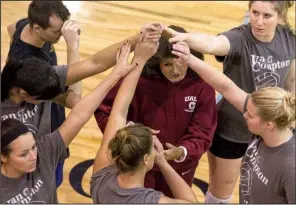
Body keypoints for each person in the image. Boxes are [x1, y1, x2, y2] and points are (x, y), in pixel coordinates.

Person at [164, 1, 295, 202]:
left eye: (267, 16)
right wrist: (183, 38)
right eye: (254, 13)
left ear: (281, 16)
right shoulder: (239, 38)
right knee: (221, 195)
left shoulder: (289, 39)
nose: (258, 22)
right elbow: (211, 44)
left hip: (270, 132)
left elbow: (291, 83)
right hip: (232, 133)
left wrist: (288, 119)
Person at [0, 41, 138, 204]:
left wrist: (116, 73)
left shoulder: (44, 153)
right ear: (3, 156)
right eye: (24, 154)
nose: (33, 156)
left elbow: (79, 113)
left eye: (33, 147)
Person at [94, 25, 217, 197]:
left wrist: (182, 151)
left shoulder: (203, 85)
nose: (175, 70)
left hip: (178, 168)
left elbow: (203, 131)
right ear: (157, 61)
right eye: (167, 64)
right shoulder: (139, 80)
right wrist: (132, 132)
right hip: (136, 166)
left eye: (180, 61)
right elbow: (106, 110)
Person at [6, 0, 82, 188]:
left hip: (41, 110)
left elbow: (10, 27)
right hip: (43, 130)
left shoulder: (26, 26)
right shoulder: (31, 66)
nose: (61, 35)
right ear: (38, 28)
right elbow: (74, 99)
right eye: (57, 32)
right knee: (47, 184)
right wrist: (73, 47)